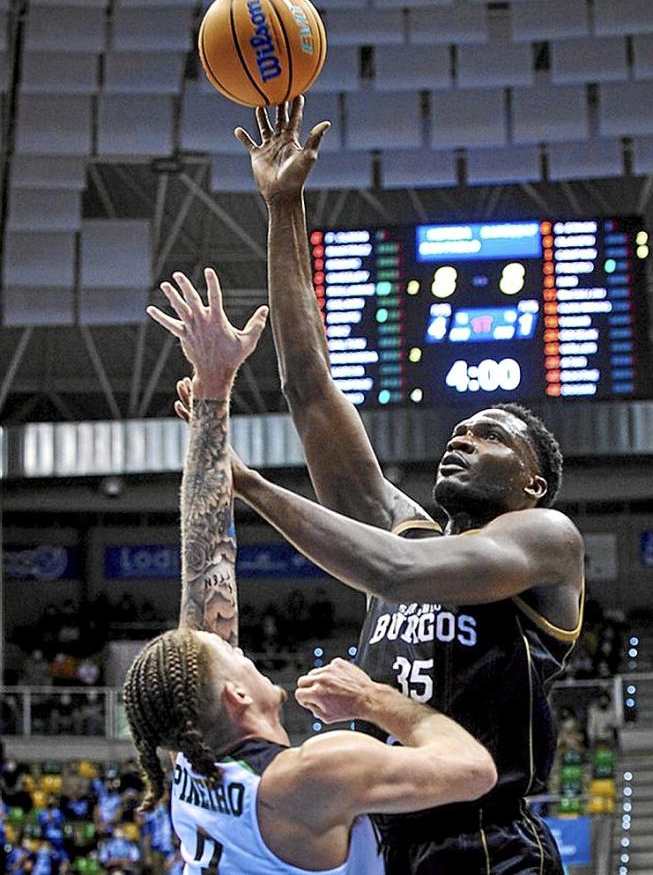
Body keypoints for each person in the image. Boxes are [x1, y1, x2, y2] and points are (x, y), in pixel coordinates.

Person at [165, 96, 586, 874]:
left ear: (533, 482)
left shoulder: (546, 543)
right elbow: (311, 391)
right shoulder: (404, 529)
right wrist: (283, 204)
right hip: (385, 847)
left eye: (490, 435)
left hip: (489, 847)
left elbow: (395, 572)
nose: (462, 437)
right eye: (459, 431)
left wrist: (251, 484)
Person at [136, 274, 497, 874]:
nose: (237, 648)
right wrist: (376, 700)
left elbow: (206, 560)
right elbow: (475, 771)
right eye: (234, 656)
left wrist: (213, 393)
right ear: (235, 695)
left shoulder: (191, 761)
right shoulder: (308, 775)